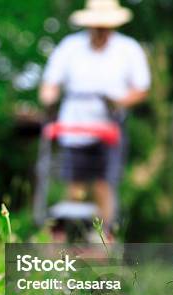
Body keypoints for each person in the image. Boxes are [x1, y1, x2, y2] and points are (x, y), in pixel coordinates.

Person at [39, 0, 150, 236]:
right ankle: (68, 238)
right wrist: (49, 99)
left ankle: (103, 236)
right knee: (74, 184)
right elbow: (50, 83)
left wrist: (118, 101)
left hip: (109, 127)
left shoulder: (128, 49)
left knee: (103, 184)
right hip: (73, 126)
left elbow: (141, 89)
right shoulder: (70, 46)